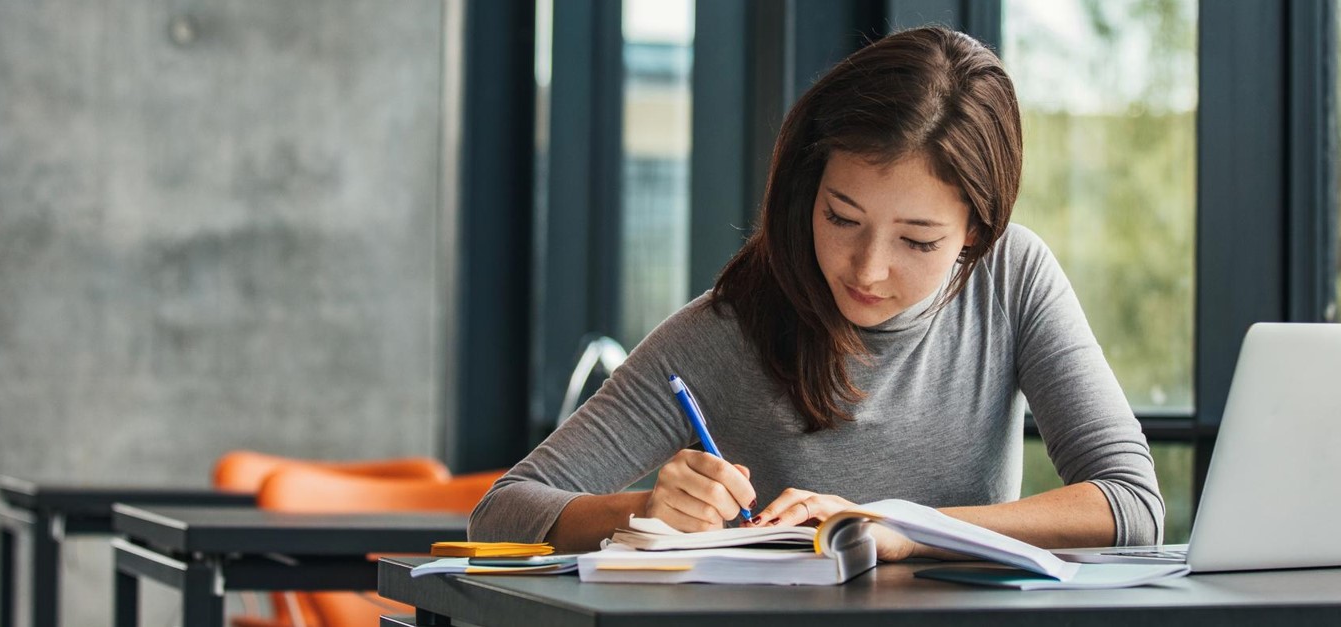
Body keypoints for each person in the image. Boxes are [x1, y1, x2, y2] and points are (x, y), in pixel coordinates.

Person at [470, 25, 1162, 561]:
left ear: (976, 233)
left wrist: (900, 525)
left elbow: (1130, 503)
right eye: (841, 218)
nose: (867, 269)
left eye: (917, 242)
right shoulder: (730, 327)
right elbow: (500, 512)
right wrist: (644, 509)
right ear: (807, 190)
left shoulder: (1012, 278)